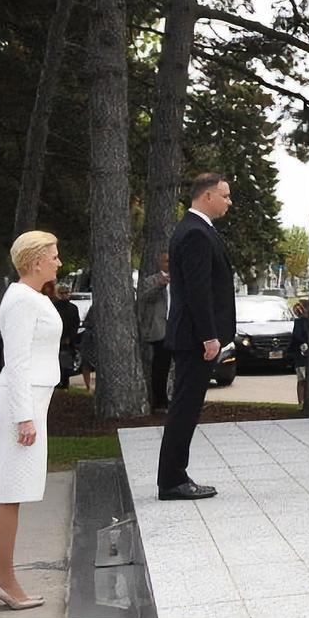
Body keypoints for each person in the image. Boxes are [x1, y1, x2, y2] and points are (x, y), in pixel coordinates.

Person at [0, 231, 63, 611]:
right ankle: (3, 578)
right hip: (23, 401)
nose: (58, 262)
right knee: (11, 491)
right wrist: (24, 418)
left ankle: (4, 576)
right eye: (53, 256)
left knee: (13, 490)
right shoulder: (20, 300)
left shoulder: (31, 297)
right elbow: (14, 361)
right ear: (35, 262)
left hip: (32, 399)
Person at [157, 173, 236, 501]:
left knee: (186, 407)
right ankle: (173, 480)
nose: (229, 202)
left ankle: (174, 475)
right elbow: (197, 291)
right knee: (185, 408)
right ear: (207, 197)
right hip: (195, 338)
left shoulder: (198, 230)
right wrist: (208, 337)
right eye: (225, 196)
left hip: (194, 336)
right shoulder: (195, 233)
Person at [137, 254, 172, 411]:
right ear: (160, 262)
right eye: (166, 261)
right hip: (160, 330)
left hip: (177, 327)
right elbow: (145, 298)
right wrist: (160, 285)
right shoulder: (151, 280)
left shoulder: (181, 279)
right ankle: (160, 401)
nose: (169, 264)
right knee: (160, 367)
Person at [48, 283, 80, 390]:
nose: (64, 295)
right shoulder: (53, 307)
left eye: (66, 293)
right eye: (62, 293)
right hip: (54, 341)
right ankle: (56, 383)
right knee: (54, 364)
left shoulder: (73, 308)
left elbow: (76, 324)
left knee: (66, 366)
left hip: (68, 342)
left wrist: (70, 338)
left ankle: (65, 384)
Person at [289, 298, 309, 407]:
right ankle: (301, 401)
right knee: (302, 379)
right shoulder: (300, 322)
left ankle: (306, 400)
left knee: (306, 380)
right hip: (301, 354)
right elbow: (297, 337)